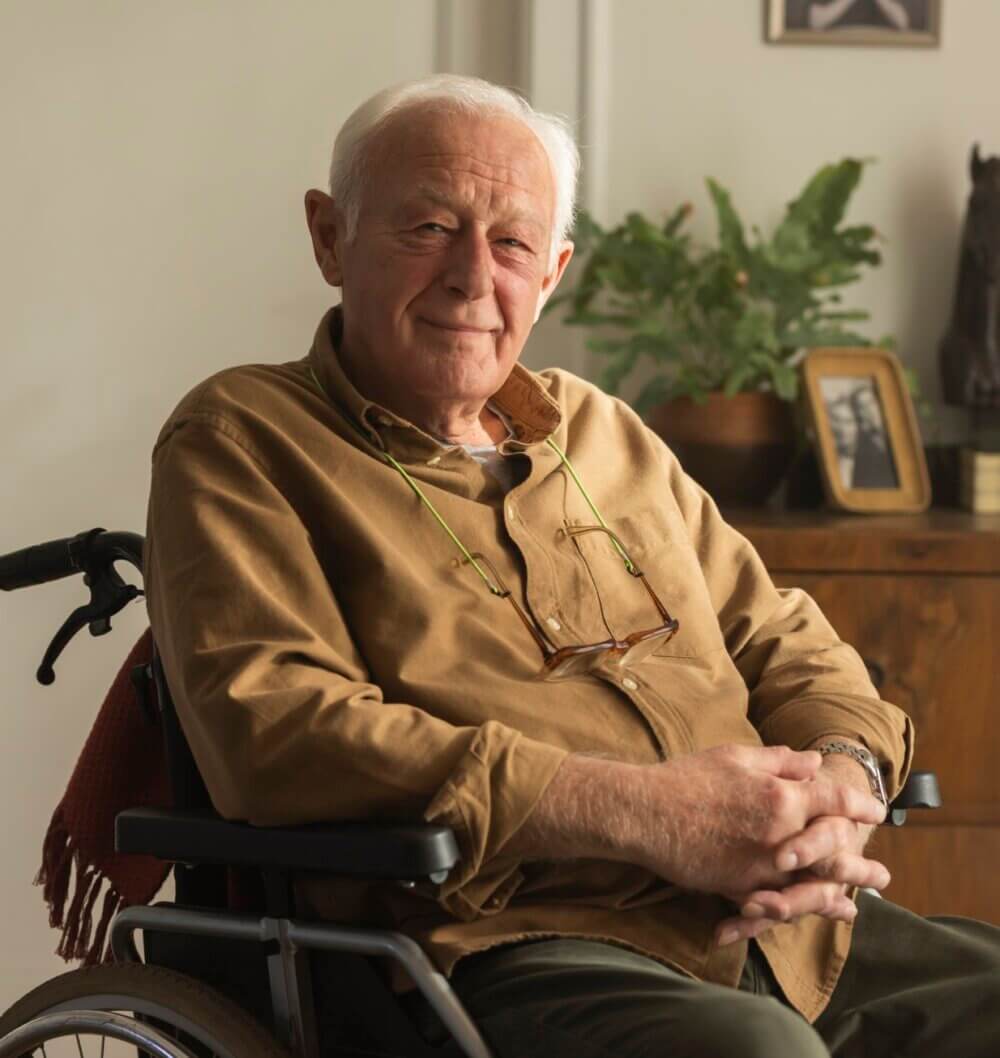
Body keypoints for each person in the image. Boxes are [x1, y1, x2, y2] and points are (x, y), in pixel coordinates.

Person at [144, 74, 1000, 1057]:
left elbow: (782, 637)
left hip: (792, 930)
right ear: (330, 236)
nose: (473, 277)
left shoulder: (603, 429)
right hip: (511, 940)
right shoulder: (241, 437)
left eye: (511, 243)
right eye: (427, 226)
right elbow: (277, 726)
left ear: (550, 271)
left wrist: (840, 783)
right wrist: (645, 813)